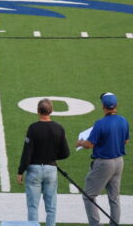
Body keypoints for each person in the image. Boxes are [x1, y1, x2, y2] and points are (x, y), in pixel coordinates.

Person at [76, 92, 129, 226]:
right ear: (116, 106)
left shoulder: (100, 124)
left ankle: (95, 224)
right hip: (119, 161)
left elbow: (89, 145)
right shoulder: (123, 120)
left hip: (104, 163)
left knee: (88, 196)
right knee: (114, 198)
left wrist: (81, 142)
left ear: (103, 106)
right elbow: (126, 141)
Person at [16, 98, 70, 226]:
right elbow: (65, 153)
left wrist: (20, 171)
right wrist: (52, 156)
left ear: (38, 111)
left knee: (33, 206)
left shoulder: (33, 128)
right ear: (51, 110)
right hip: (51, 169)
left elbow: (27, 152)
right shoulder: (59, 128)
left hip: (34, 169)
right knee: (51, 207)